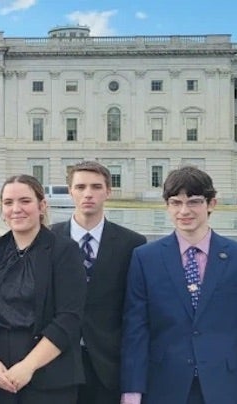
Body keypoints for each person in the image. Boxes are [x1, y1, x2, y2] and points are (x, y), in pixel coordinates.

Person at [122, 166, 237, 404]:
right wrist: (132, 390)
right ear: (167, 206)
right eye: (176, 202)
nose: (184, 211)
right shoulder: (146, 258)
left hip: (225, 383)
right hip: (165, 384)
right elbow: (136, 329)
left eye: (194, 202)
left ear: (211, 204)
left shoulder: (236, 256)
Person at [0, 174, 86, 404]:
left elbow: (69, 318)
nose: (16, 209)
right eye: (8, 203)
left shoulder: (64, 251)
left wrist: (28, 366)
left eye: (25, 201)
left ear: (41, 206)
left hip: (49, 375)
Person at [49, 161, 146, 404]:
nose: (88, 194)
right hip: (55, 362)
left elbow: (134, 311)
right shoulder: (48, 239)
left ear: (108, 191)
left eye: (96, 187)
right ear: (70, 191)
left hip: (107, 364)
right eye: (80, 187)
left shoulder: (131, 243)